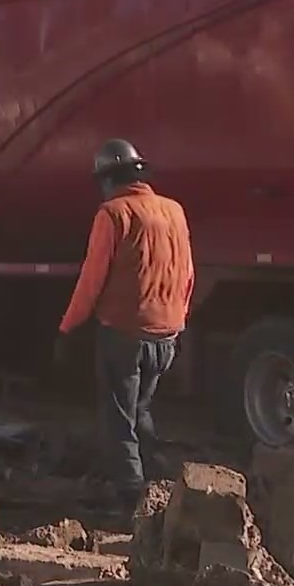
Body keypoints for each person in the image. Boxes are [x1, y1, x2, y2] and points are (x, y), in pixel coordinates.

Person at [56, 139, 195, 505]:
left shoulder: (113, 214)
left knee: (119, 416)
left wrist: (69, 327)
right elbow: (188, 275)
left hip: (125, 332)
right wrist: (177, 319)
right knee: (140, 408)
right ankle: (160, 476)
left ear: (107, 179)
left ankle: (133, 497)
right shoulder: (174, 211)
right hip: (167, 333)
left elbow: (92, 279)